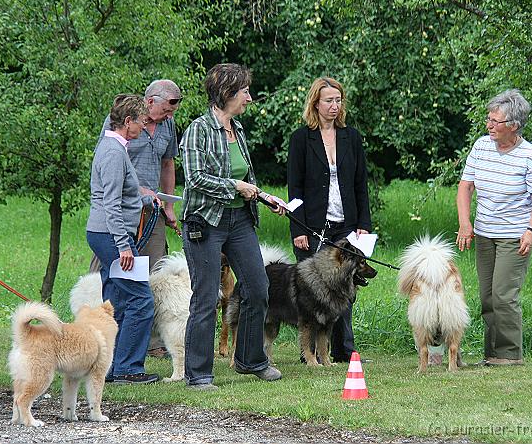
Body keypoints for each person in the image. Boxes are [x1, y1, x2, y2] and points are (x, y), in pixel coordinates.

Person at [180, 63, 285, 391]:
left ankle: (250, 360)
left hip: (240, 220)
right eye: (244, 93)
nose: (249, 98)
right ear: (226, 93)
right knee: (207, 295)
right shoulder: (199, 129)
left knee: (258, 287)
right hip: (206, 222)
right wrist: (234, 188)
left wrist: (265, 197)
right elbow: (195, 178)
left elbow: (244, 177)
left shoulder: (237, 129)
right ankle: (198, 374)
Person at [456, 89, 532, 366]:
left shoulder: (531, 157)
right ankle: (492, 353)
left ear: (514, 126)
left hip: (514, 236)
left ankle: (509, 355)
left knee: (503, 295)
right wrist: (465, 223)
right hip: (485, 234)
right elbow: (465, 187)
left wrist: (530, 231)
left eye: (496, 122)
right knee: (487, 296)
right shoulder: (481, 147)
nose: (489, 126)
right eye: (489, 119)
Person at [93, 79, 182, 358]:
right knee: (124, 287)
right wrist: (122, 245)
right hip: (117, 218)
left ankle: (139, 348)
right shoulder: (116, 136)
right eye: (167, 108)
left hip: (146, 212)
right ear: (150, 102)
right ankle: (117, 354)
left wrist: (164, 204)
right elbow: (110, 187)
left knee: (146, 279)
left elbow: (167, 165)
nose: (170, 116)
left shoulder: (163, 127)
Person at [287, 76, 372, 363]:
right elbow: (294, 188)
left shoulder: (352, 137)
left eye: (338, 100)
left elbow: (361, 184)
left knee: (346, 286)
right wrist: (297, 227)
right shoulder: (301, 139)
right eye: (328, 101)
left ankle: (343, 350)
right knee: (311, 291)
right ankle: (308, 351)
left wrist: (363, 223)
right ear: (315, 103)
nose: (334, 106)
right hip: (311, 226)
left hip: (346, 224)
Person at [86, 94, 159, 384]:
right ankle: (128, 367)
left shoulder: (112, 147)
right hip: (111, 235)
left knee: (114, 300)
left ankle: (107, 367)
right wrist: (124, 245)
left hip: (103, 232)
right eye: (142, 121)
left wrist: (143, 199)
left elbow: (117, 196)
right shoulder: (114, 152)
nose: (144, 127)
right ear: (127, 122)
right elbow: (112, 203)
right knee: (142, 301)